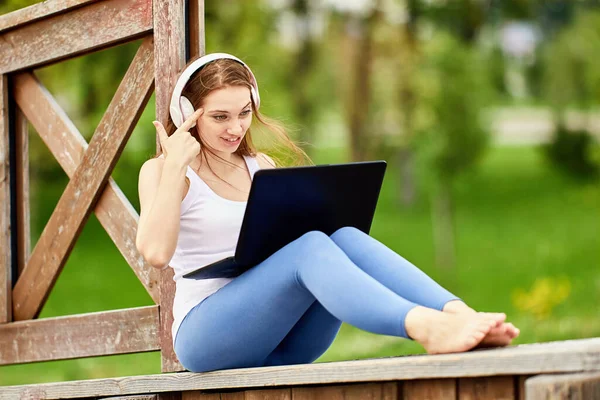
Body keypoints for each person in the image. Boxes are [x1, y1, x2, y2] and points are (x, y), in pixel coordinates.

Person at [136, 53, 520, 373]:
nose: (236, 128)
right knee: (310, 247)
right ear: (187, 114)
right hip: (207, 337)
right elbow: (154, 252)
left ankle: (461, 314)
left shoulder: (260, 167)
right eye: (220, 116)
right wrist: (174, 168)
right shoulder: (163, 171)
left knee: (345, 236)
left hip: (286, 342)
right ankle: (425, 327)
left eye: (244, 112)